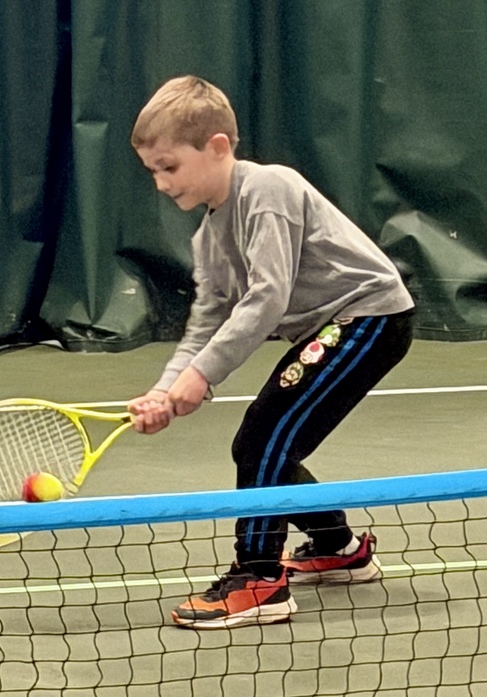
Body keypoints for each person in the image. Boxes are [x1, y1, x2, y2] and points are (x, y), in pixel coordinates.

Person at [128, 75, 414, 630]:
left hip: (370, 318)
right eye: (152, 172)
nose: (161, 183)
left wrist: (202, 376)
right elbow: (207, 318)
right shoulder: (208, 236)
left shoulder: (268, 188)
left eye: (169, 166)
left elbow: (267, 298)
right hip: (332, 327)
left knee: (263, 439)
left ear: (217, 146)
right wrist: (166, 389)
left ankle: (259, 580)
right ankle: (338, 547)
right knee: (263, 445)